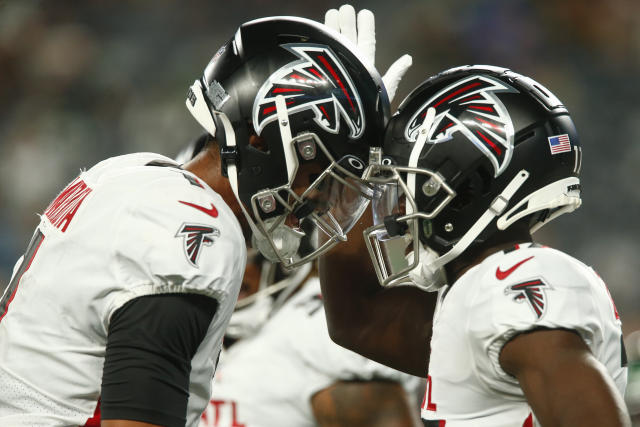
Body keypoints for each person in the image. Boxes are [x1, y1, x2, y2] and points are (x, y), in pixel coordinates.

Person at [0, 16, 389, 427]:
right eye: (319, 178)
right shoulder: (198, 229)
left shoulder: (127, 173)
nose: (316, 203)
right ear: (263, 144)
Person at [319, 65, 631, 426]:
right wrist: (356, 147)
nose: (398, 210)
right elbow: (356, 317)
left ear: (469, 187)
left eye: (410, 185)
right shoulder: (476, 289)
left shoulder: (511, 283)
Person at [198, 248, 423, 427]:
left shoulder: (313, 328)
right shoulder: (195, 331)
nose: (219, 269)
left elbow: (379, 413)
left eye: (241, 250)